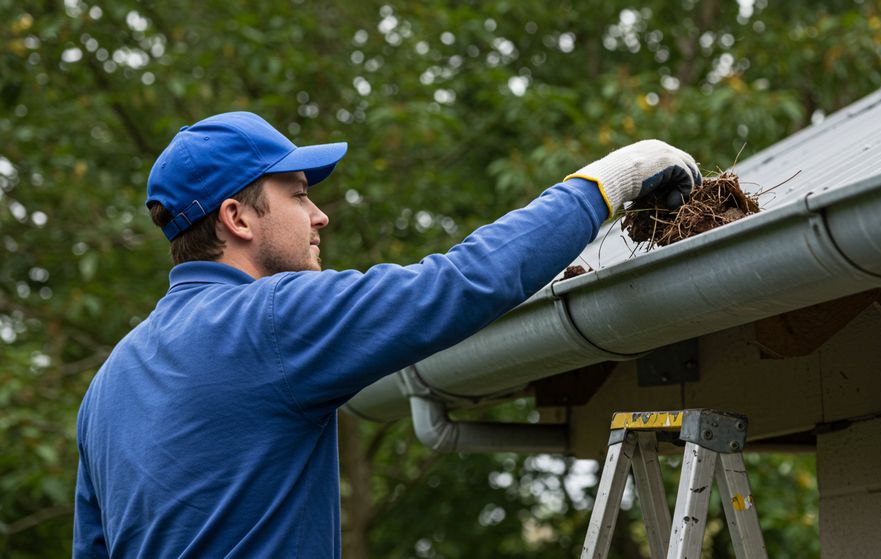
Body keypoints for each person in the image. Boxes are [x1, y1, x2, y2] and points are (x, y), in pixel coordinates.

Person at [73, 111, 701, 558]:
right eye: (295, 195)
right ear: (236, 218)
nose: (319, 213)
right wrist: (607, 183)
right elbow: (455, 285)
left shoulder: (105, 390)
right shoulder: (271, 320)